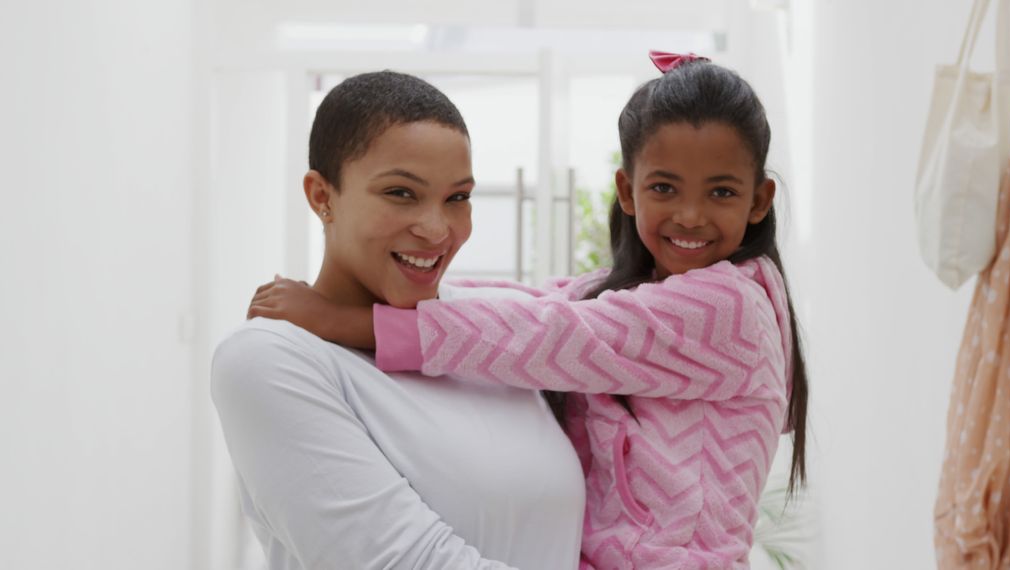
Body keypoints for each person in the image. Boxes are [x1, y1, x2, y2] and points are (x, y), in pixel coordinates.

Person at [253, 52, 810, 569]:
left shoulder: (729, 308)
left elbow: (553, 333)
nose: (690, 215)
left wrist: (348, 321)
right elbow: (542, 302)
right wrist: (422, 284)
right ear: (628, 190)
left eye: (721, 193)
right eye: (665, 187)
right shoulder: (647, 295)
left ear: (759, 200)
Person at [212, 71, 586, 570]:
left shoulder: (485, 334)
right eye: (401, 194)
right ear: (322, 197)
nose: (437, 230)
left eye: (457, 198)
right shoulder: (270, 360)